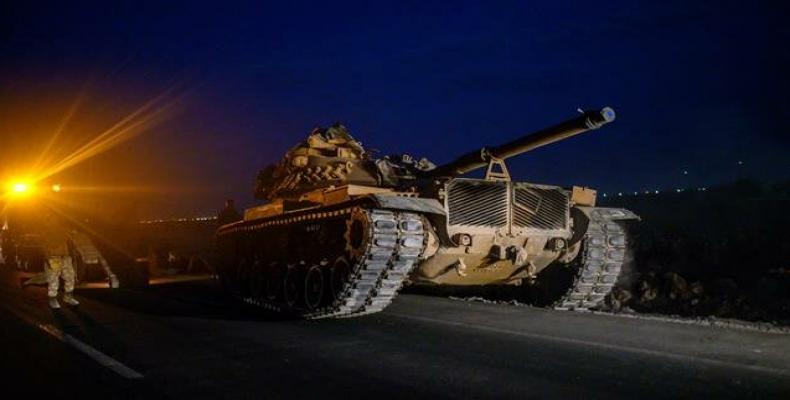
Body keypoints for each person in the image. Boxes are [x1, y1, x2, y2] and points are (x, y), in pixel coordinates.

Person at [41, 218, 78, 309]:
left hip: (65, 257)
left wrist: (72, 256)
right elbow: (44, 247)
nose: (54, 222)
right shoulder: (46, 233)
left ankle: (68, 297)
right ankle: (52, 299)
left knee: (70, 277)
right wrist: (47, 259)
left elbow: (70, 243)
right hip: (54, 258)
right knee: (53, 280)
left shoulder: (63, 231)